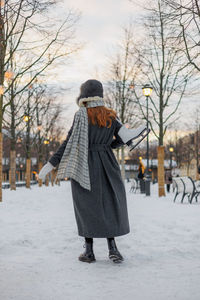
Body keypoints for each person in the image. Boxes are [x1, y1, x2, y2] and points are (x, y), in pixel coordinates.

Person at [39, 79, 130, 264]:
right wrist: (108, 146)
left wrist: (51, 163)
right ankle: (113, 248)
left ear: (84, 96)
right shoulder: (111, 116)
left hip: (85, 164)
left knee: (86, 206)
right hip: (108, 164)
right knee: (109, 204)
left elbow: (68, 142)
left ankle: (89, 252)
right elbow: (124, 138)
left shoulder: (81, 115)